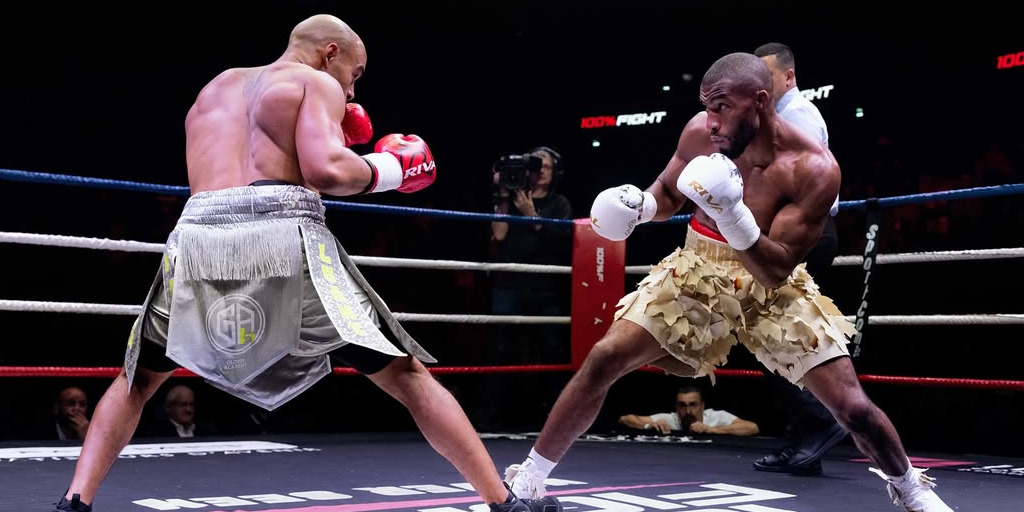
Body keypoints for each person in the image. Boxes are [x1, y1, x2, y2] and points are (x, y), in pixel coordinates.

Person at [50, 15, 561, 512]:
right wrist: (391, 169)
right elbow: (325, 171)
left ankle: (75, 501)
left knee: (137, 378)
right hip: (282, 235)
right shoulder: (314, 81)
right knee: (406, 375)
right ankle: (503, 502)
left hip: (198, 239)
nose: (353, 92)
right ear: (330, 53)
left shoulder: (214, 88)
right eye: (355, 76)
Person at [504, 52, 953, 512]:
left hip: (772, 284)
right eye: (707, 106)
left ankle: (910, 488)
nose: (711, 120)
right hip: (697, 268)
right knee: (604, 357)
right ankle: (529, 481)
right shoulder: (701, 131)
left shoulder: (814, 169)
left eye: (721, 106)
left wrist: (732, 214)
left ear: (759, 101)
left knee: (852, 406)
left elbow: (776, 268)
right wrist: (639, 207)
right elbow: (669, 192)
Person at [749, 42, 847, 475]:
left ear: (788, 76)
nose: (760, 88)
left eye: (766, 78)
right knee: (779, 331)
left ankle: (821, 421)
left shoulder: (799, 114)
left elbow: (795, 181)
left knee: (771, 330)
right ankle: (803, 441)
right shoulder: (776, 116)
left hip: (805, 232)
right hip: (792, 231)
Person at [618, 384, 759, 436]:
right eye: (682, 405)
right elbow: (625, 419)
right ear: (676, 407)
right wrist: (649, 425)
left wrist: (710, 430)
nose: (688, 411)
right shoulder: (671, 419)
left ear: (702, 406)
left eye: (693, 405)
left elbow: (752, 428)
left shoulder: (715, 417)